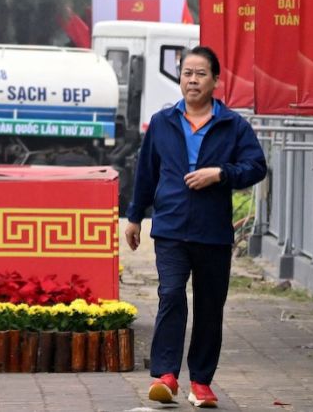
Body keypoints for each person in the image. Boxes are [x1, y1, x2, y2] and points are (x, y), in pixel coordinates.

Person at [124, 46, 267, 408]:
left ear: (216, 81)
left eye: (201, 73)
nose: (192, 80)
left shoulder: (233, 126)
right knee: (170, 295)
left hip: (213, 232)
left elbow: (256, 167)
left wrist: (220, 173)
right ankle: (166, 375)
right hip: (170, 227)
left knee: (209, 306)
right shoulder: (163, 121)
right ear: (180, 78)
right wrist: (135, 216)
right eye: (187, 73)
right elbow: (146, 172)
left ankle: (201, 382)